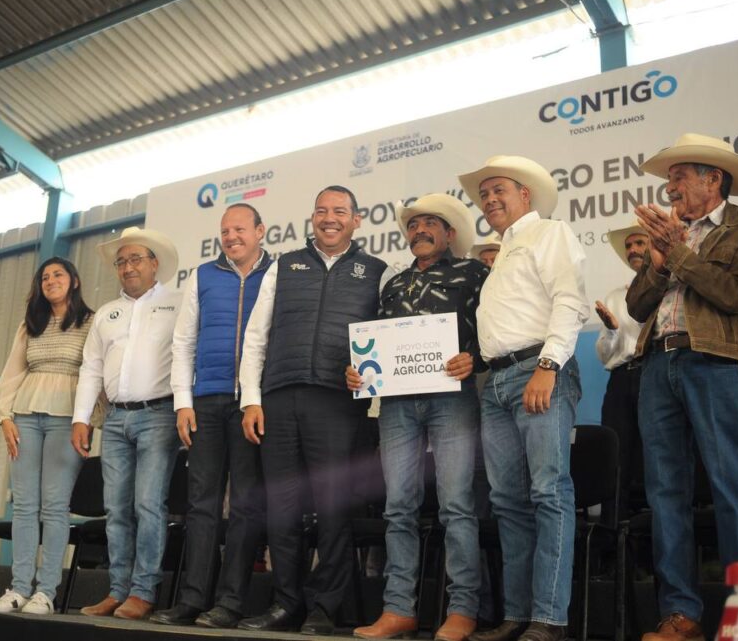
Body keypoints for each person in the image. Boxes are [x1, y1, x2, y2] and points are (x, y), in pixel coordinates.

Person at [628, 134, 738, 641]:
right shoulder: (668, 236)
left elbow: (736, 295)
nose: (669, 188)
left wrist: (677, 252)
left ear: (714, 179)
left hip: (716, 363)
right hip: (657, 364)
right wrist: (659, 260)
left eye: (679, 177)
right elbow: (637, 307)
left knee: (732, 484)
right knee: (665, 492)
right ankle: (681, 614)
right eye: (669, 179)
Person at [237, 185, 387, 634]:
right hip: (279, 398)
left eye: (339, 211)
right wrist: (251, 399)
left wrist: (369, 380)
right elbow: (256, 335)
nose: (329, 218)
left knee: (332, 508)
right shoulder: (283, 266)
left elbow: (387, 339)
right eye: (321, 210)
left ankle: (324, 608)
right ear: (312, 218)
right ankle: (285, 604)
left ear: (356, 220)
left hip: (338, 403)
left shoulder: (377, 271)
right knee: (282, 507)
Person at [460, 155, 588, 641]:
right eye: (484, 195)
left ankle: (549, 620)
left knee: (549, 492)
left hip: (537, 371)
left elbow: (569, 301)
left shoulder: (549, 233)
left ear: (525, 195)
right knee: (508, 502)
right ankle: (516, 616)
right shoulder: (504, 252)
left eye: (500, 191)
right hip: (495, 383)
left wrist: (548, 366)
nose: (490, 200)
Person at [349, 194, 488, 641]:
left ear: (449, 233)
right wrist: (359, 370)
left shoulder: (474, 272)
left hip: (453, 399)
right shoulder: (393, 282)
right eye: (413, 225)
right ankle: (398, 610)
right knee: (398, 507)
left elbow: (495, 329)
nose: (420, 230)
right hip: (396, 404)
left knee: (457, 505)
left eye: (431, 223)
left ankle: (463, 609)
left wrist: (475, 358)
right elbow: (375, 342)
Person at [151, 204, 270, 628]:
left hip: (252, 404)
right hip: (205, 402)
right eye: (225, 231)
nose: (231, 237)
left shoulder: (278, 273)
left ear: (260, 231)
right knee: (201, 504)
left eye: (239, 229)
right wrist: (183, 402)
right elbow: (183, 341)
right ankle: (192, 599)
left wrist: (256, 397)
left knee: (245, 507)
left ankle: (231, 602)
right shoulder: (203, 275)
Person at [72, 227, 182, 620]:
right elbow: (91, 369)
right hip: (115, 419)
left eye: (136, 259)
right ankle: (118, 590)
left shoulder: (178, 303)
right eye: (121, 261)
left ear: (154, 264)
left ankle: (143, 591)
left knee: (148, 504)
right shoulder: (106, 313)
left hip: (160, 415)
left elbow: (188, 356)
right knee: (116, 508)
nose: (128, 267)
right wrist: (81, 418)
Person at [0, 257, 96, 615]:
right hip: (26, 416)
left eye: (58, 274)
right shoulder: (30, 324)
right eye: (44, 277)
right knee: (24, 505)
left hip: (68, 419)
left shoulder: (91, 323)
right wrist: (4, 417)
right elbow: (12, 372)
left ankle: (46, 592)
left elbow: (96, 373)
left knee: (54, 506)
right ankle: (19, 588)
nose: (50, 281)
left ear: (74, 281)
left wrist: (88, 420)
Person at [595, 223, 649, 522]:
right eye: (629, 246)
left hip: (653, 376)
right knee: (615, 457)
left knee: (652, 456)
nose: (632, 250)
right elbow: (605, 355)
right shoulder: (616, 297)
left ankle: (649, 532)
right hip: (619, 380)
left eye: (640, 243)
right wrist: (613, 330)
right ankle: (612, 531)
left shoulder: (670, 290)